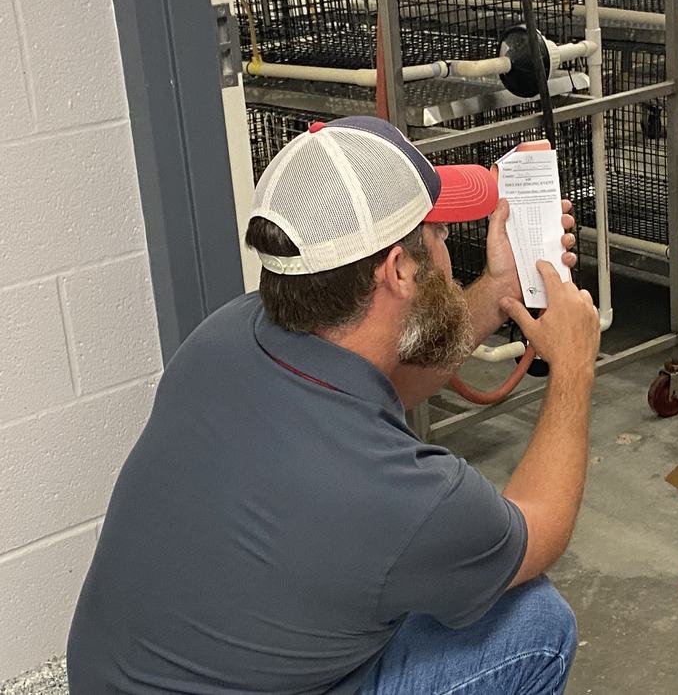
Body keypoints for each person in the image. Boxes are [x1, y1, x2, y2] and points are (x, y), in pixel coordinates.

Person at [66, 116, 601, 694]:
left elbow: (388, 382)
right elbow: (540, 528)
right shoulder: (402, 493)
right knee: (536, 623)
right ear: (398, 270)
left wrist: (498, 293)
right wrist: (573, 368)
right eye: (442, 236)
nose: (449, 250)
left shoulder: (225, 335)